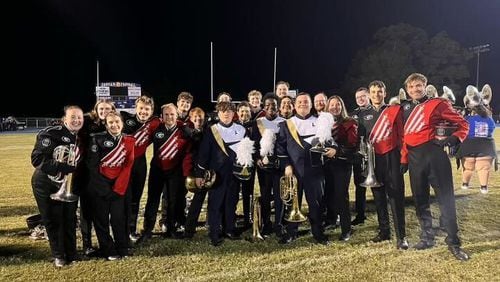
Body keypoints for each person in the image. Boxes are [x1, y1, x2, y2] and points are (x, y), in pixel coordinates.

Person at [400, 73, 470, 260]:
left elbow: (462, 124)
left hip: (435, 155)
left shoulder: (438, 104)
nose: (415, 89)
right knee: (420, 199)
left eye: (418, 85)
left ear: (425, 86)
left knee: (445, 199)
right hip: (415, 159)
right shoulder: (405, 108)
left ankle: (453, 242)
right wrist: (404, 160)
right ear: (407, 90)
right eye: (411, 87)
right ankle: (427, 236)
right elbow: (405, 137)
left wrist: (455, 138)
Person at [31, 105, 84, 267]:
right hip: (46, 183)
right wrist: (60, 166)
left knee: (69, 218)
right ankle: (58, 255)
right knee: (53, 220)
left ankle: (72, 253)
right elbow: (37, 159)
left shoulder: (81, 136)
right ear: (64, 119)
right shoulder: (51, 133)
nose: (77, 120)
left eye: (79, 117)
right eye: (73, 117)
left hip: (68, 184)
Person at [357, 81, 407, 250]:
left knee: (396, 198)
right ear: (369, 94)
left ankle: (402, 237)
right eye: (373, 91)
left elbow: (402, 136)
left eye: (380, 91)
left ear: (385, 93)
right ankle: (384, 231)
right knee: (378, 199)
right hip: (373, 161)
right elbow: (361, 140)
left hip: (392, 158)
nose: (376, 94)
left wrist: (403, 159)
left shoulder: (394, 110)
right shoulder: (363, 114)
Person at [276, 92, 331, 245]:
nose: (302, 104)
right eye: (299, 102)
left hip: (315, 171)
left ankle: (318, 233)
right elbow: (280, 148)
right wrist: (286, 165)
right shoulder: (286, 124)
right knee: (293, 203)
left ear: (311, 104)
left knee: (316, 203)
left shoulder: (320, 122)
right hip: (294, 171)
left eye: (306, 102)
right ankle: (291, 232)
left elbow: (328, 141)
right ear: (294, 105)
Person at [195, 101, 249, 246]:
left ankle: (229, 229)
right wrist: (199, 174)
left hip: (235, 174)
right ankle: (214, 233)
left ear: (234, 113)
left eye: (229, 111)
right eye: (223, 111)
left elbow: (247, 150)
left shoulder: (241, 129)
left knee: (231, 202)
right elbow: (203, 154)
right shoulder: (212, 130)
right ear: (218, 114)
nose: (226, 114)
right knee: (215, 203)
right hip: (217, 175)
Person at [139, 103, 192, 242]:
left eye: (172, 114)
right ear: (162, 116)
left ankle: (171, 229)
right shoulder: (156, 128)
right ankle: (147, 230)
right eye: (166, 114)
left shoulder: (183, 130)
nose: (169, 117)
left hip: (175, 171)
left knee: (172, 201)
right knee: (153, 200)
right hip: (157, 169)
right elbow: (141, 143)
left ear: (177, 115)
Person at [87, 111, 135, 260]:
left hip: (118, 187)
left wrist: (117, 188)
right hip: (100, 186)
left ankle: (122, 247)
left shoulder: (129, 140)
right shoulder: (96, 139)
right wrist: (104, 189)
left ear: (122, 123)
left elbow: (128, 166)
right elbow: (92, 166)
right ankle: (108, 250)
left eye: (117, 122)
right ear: (106, 125)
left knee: (118, 218)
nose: (114, 125)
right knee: (101, 220)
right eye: (111, 123)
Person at [75, 99, 116, 256]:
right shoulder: (86, 122)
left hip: (105, 175)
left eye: (107, 108)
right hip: (86, 173)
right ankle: (87, 244)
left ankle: (104, 242)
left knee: (102, 210)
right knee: (86, 211)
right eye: (101, 108)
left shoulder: (114, 123)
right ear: (96, 110)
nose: (104, 111)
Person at [121, 95, 162, 241]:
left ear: (151, 111)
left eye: (147, 109)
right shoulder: (124, 119)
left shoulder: (154, 123)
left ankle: (132, 230)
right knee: (123, 198)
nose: (144, 112)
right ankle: (121, 230)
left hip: (140, 164)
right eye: (141, 108)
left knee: (136, 199)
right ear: (136, 108)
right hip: (124, 164)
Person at [323, 96, 358, 241]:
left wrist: (337, 152)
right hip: (326, 164)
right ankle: (332, 221)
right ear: (327, 107)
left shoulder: (350, 122)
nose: (335, 107)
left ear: (342, 106)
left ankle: (346, 229)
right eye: (332, 105)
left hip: (342, 164)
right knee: (329, 194)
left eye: (338, 104)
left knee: (341, 196)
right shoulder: (323, 123)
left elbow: (353, 145)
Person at [253, 94, 286, 237]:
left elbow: (286, 144)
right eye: (267, 105)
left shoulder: (285, 122)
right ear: (263, 106)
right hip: (264, 167)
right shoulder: (258, 122)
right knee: (265, 196)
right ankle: (266, 224)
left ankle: (279, 224)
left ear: (278, 106)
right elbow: (253, 143)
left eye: (273, 105)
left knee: (280, 196)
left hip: (279, 166)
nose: (270, 108)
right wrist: (256, 159)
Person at [456, 85, 496, 194]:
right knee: (483, 167)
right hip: (486, 145)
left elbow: (461, 129)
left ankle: (465, 184)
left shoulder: (466, 118)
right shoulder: (488, 118)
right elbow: (492, 129)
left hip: (469, 144)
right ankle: (483, 187)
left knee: (468, 167)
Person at [183, 107, 207, 238]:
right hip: (196, 168)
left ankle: (214, 224)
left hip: (209, 168)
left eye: (201, 118)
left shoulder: (208, 129)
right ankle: (189, 229)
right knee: (198, 198)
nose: (198, 120)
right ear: (191, 119)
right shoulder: (188, 131)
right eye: (195, 118)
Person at [349, 87, 370, 225]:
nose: (360, 99)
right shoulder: (353, 115)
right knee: (360, 185)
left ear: (368, 96)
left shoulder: (375, 111)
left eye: (363, 96)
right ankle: (360, 214)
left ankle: (384, 211)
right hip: (359, 155)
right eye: (358, 97)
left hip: (375, 153)